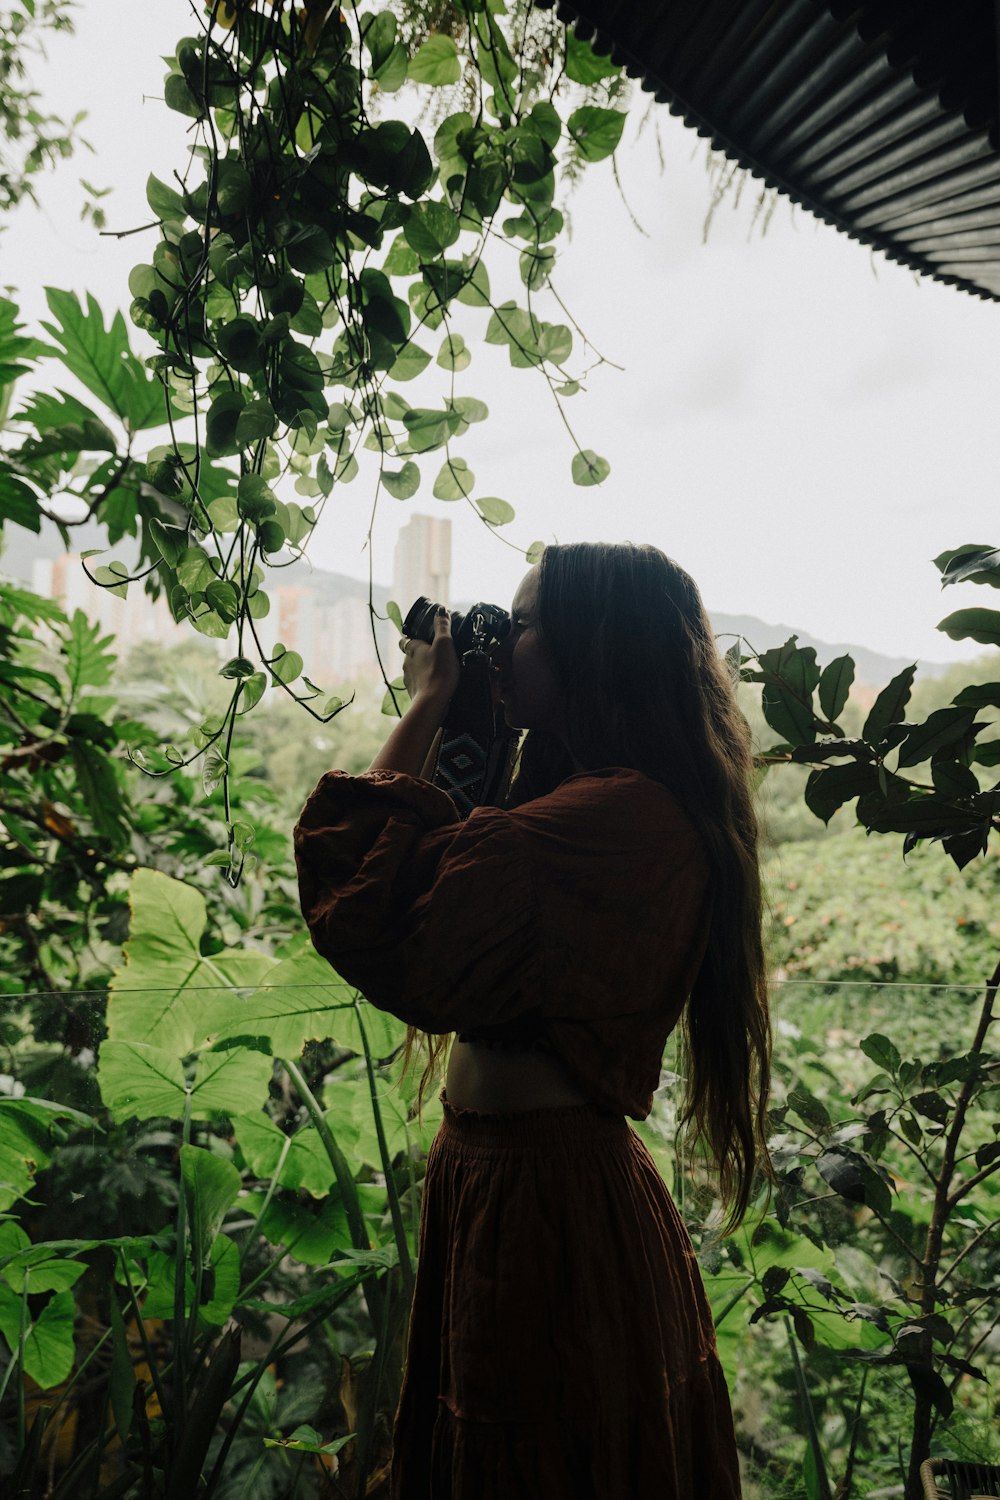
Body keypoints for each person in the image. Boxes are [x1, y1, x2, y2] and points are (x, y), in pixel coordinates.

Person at [294, 541, 770, 1500]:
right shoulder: (589, 804)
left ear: (596, 648)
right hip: (504, 1180)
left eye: (522, 627)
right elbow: (457, 867)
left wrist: (430, 701)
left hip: (548, 1199)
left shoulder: (618, 817)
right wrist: (471, 715)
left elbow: (367, 898)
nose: (500, 647)